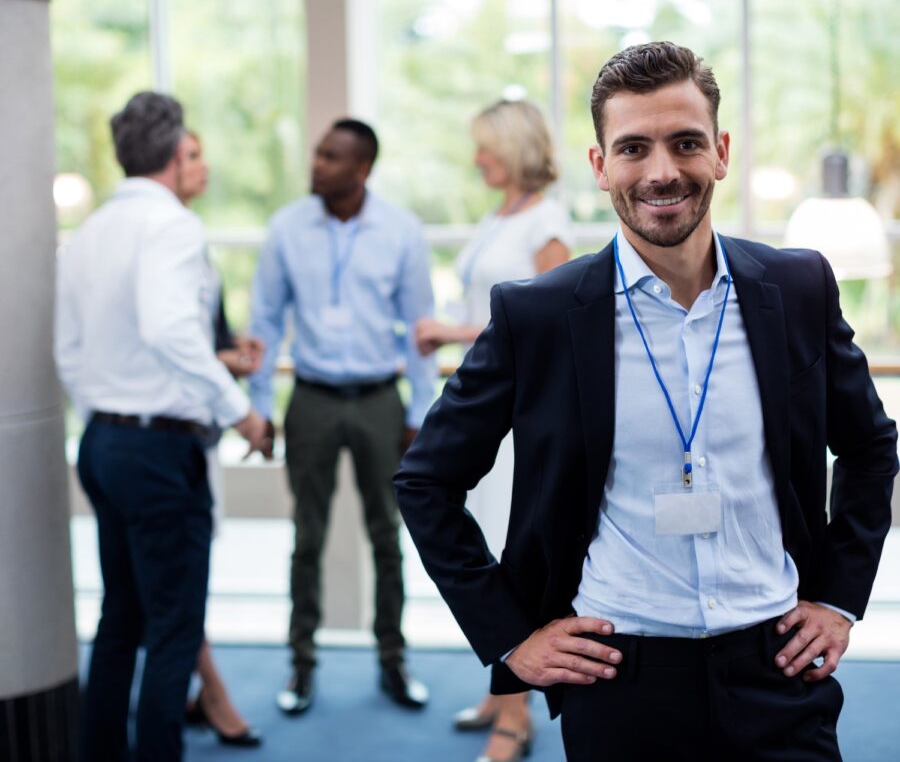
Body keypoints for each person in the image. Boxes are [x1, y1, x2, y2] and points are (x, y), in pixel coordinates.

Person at [395, 41, 898, 761]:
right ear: (601, 167)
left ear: (720, 152)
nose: (662, 171)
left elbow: (871, 446)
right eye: (633, 147)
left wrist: (838, 598)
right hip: (620, 677)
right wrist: (510, 636)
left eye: (685, 143)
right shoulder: (538, 316)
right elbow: (425, 480)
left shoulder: (796, 290)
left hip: (778, 669)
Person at [55, 92, 270, 762]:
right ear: (177, 154)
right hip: (155, 451)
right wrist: (243, 413)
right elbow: (169, 328)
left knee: (121, 618)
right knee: (174, 631)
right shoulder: (171, 225)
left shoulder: (88, 230)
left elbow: (67, 350)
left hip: (102, 443)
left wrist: (114, 405)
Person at [249, 118, 437, 715]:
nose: (317, 165)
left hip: (381, 400)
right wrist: (259, 407)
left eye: (331, 157)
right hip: (313, 399)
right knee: (308, 537)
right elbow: (265, 324)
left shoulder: (400, 231)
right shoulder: (286, 228)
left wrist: (420, 412)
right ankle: (301, 667)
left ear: (362, 169)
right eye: (317, 153)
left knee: (388, 536)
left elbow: (420, 331)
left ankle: (393, 663)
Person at [414, 99, 572, 762]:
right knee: (483, 548)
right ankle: (502, 690)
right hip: (487, 411)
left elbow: (552, 324)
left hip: (520, 419)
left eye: (485, 147)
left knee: (511, 558)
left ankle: (516, 717)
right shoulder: (497, 215)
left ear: (512, 148)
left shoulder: (546, 221)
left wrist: (451, 332)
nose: (477, 158)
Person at [175, 130, 264, 748]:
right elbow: (173, 345)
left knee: (177, 575)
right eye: (192, 155)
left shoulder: (188, 241)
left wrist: (234, 356)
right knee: (178, 577)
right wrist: (243, 412)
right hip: (168, 437)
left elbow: (197, 343)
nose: (204, 166)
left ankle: (197, 686)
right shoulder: (168, 240)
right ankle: (214, 693)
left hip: (190, 433)